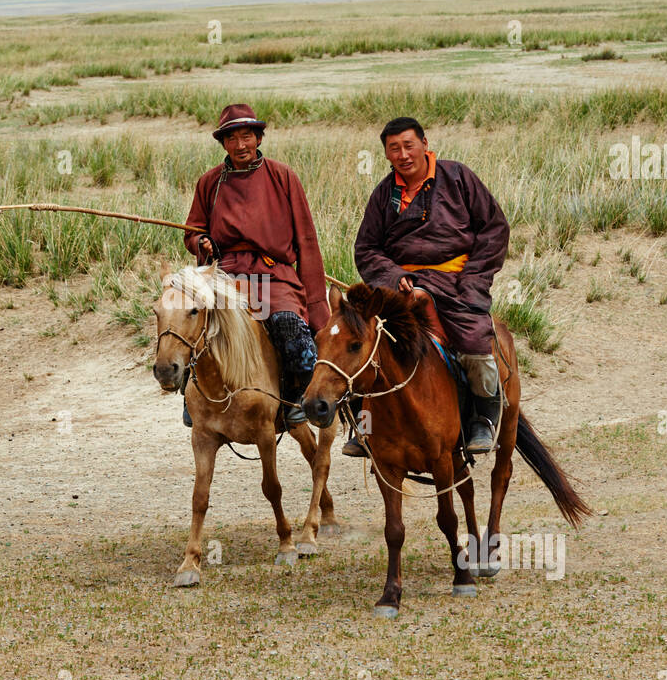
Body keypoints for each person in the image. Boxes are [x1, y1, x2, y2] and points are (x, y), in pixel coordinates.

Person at [348, 116, 510, 455]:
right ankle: (363, 426)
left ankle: (483, 419)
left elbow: (494, 230)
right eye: (395, 149)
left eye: (409, 145)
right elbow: (366, 248)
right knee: (357, 339)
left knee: (474, 339)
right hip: (400, 287)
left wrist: (473, 280)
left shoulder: (457, 177)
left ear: (425, 143)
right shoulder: (384, 194)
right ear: (387, 155)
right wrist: (392, 277)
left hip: (455, 282)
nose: (403, 154)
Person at [181, 103, 330, 428]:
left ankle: (295, 399)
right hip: (225, 275)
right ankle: (193, 397)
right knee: (194, 321)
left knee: (290, 327)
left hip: (274, 276)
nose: (240, 145)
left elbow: (306, 241)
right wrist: (202, 243)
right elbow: (192, 231)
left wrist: (317, 303)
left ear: (258, 138)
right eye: (231, 139)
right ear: (223, 144)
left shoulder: (283, 177)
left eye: (246, 137)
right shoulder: (210, 183)